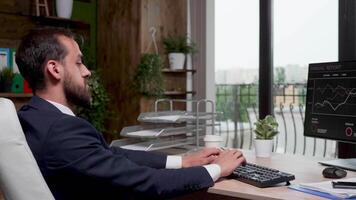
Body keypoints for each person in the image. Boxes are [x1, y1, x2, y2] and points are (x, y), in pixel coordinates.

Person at [16, 27, 246, 200]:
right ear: (55, 69)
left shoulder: (32, 116)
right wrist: (217, 168)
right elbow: (147, 182)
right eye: (78, 63)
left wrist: (183, 161)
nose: (86, 72)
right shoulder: (62, 130)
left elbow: (110, 155)